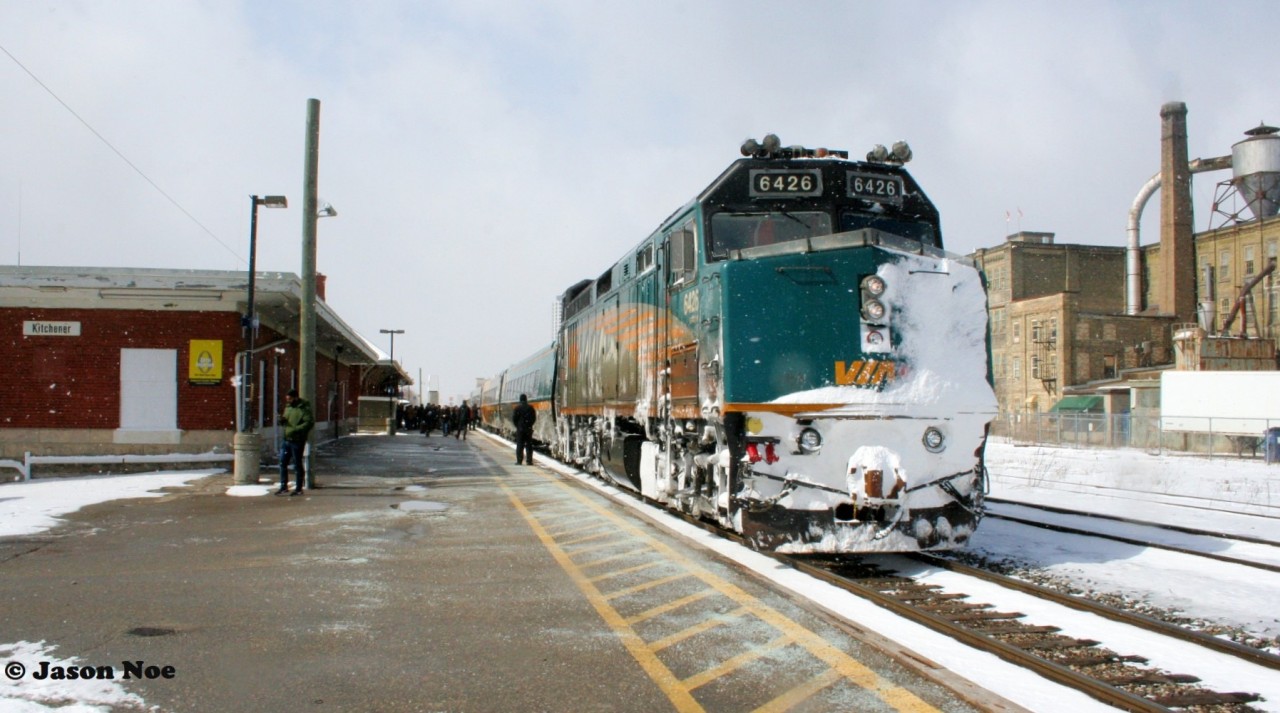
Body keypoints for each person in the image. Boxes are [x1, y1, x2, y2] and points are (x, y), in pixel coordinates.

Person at [278, 388, 314, 496]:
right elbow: (286, 420)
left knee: (297, 464)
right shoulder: (288, 408)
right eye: (287, 399)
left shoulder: (304, 408)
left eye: (290, 399)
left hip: (297, 440)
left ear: (295, 398)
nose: (288, 401)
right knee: (282, 463)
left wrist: (296, 429)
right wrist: (282, 421)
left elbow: (309, 422)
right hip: (286, 439)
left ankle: (298, 488)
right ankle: (283, 486)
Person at [512, 394, 536, 465]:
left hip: (520, 429)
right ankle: (529, 461)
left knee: (520, 445)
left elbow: (514, 419)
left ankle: (519, 461)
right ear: (526, 399)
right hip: (528, 429)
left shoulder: (517, 408)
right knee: (529, 445)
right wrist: (530, 424)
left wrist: (518, 426)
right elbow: (534, 418)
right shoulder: (530, 408)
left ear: (520, 400)